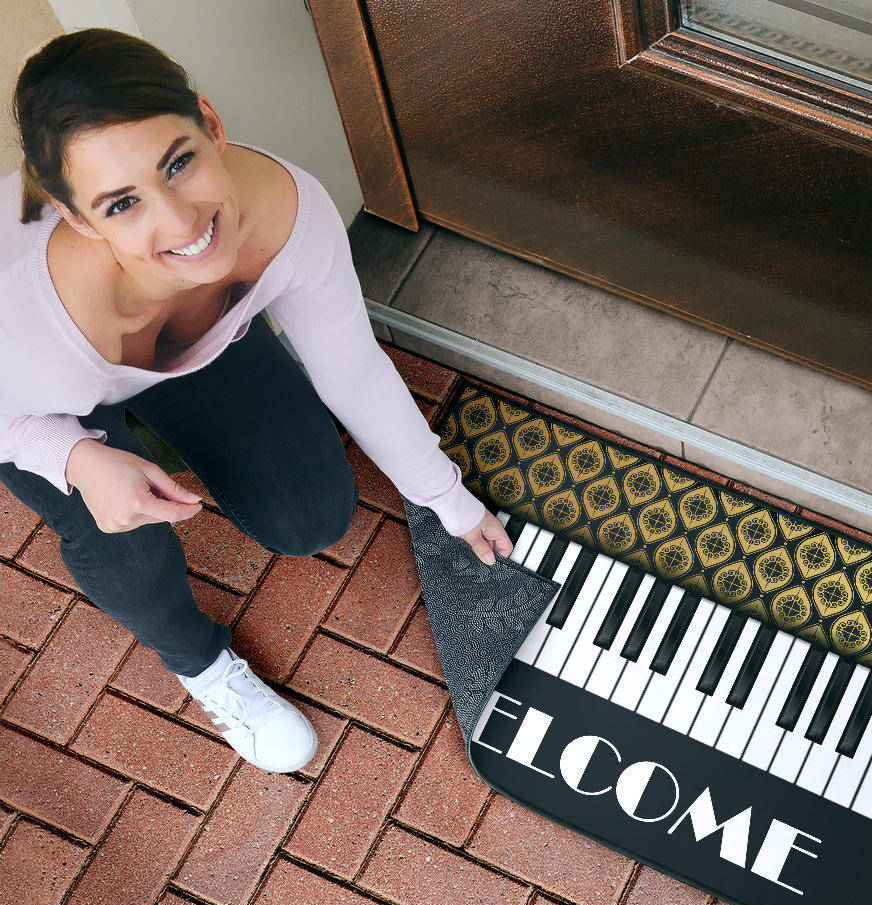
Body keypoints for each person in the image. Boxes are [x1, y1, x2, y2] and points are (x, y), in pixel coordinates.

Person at [1, 28, 512, 774]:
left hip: (192, 349)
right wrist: (77, 458)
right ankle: (199, 664)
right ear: (78, 220)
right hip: (37, 403)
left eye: (178, 162)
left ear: (211, 122)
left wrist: (447, 498)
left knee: (310, 518)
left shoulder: (289, 212)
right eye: (121, 204)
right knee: (127, 541)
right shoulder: (33, 316)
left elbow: (353, 370)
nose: (181, 225)